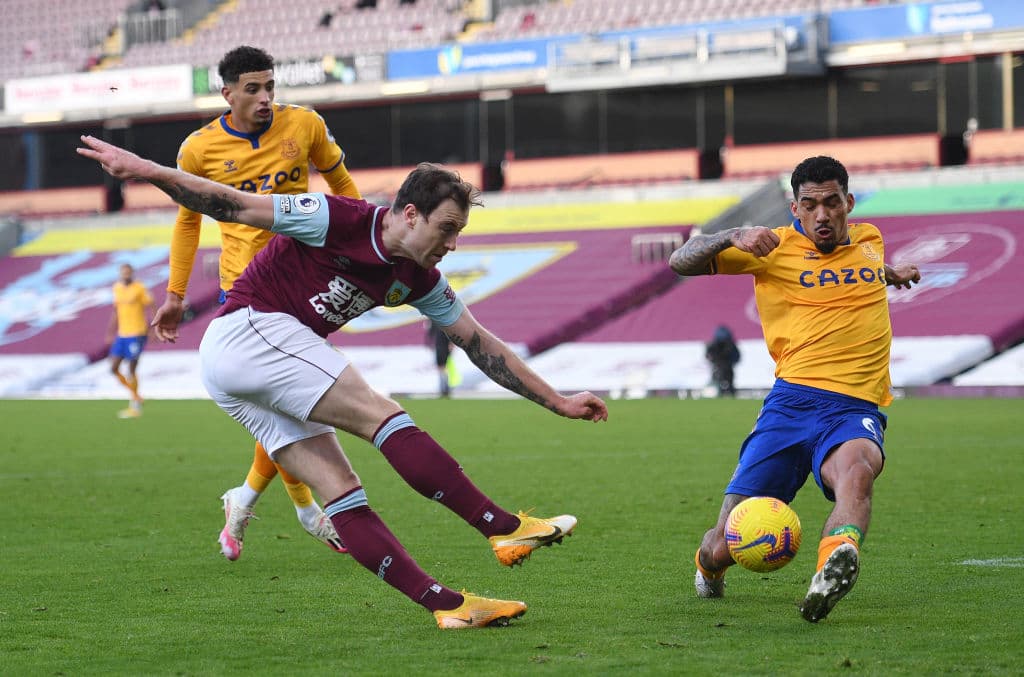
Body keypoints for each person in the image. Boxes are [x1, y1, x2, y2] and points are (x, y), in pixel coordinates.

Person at [78, 135, 610, 629]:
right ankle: (500, 526)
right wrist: (144, 169)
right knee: (382, 414)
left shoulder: (419, 278)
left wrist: (557, 401)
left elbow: (478, 342)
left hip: (240, 367)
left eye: (459, 232)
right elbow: (233, 205)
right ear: (410, 214)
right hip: (250, 331)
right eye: (446, 228)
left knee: (341, 489)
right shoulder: (334, 217)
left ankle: (448, 607)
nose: (452, 243)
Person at [668, 155, 921, 623]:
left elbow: (863, 266)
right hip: (790, 406)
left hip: (853, 407)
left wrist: (891, 272)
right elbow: (679, 261)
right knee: (724, 543)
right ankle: (709, 564)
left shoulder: (870, 240)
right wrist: (732, 235)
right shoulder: (772, 248)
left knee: (857, 470)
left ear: (849, 202)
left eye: (832, 203)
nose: (822, 214)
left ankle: (835, 562)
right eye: (810, 205)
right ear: (795, 208)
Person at [149, 46, 361, 560]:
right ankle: (298, 510)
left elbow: (342, 187)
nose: (265, 97)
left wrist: (361, 246)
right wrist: (175, 294)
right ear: (228, 93)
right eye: (253, 89)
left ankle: (256, 503)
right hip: (244, 291)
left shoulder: (305, 125)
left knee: (286, 403)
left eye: (270, 87)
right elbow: (188, 223)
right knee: (288, 401)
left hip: (304, 282)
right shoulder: (199, 150)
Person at [106, 263, 153, 419]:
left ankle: (135, 406)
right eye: (123, 272)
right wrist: (110, 331)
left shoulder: (139, 287)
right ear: (120, 273)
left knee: (131, 369)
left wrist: (153, 327)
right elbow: (116, 311)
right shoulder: (117, 288)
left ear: (132, 273)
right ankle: (136, 396)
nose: (125, 275)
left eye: (128, 272)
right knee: (113, 368)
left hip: (137, 332)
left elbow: (151, 305)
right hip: (122, 334)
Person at [705, 325, 740, 397]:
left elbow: (708, 356)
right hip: (723, 368)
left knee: (721, 384)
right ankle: (728, 393)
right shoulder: (730, 345)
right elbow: (736, 357)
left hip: (721, 368)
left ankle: (726, 393)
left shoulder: (715, 345)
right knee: (723, 384)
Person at [426, 319, 456, 397]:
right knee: (442, 368)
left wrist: (451, 344)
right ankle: (444, 389)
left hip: (442, 347)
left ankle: (445, 389)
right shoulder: (438, 320)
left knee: (443, 368)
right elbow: (430, 333)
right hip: (440, 347)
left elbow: (430, 334)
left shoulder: (439, 321)